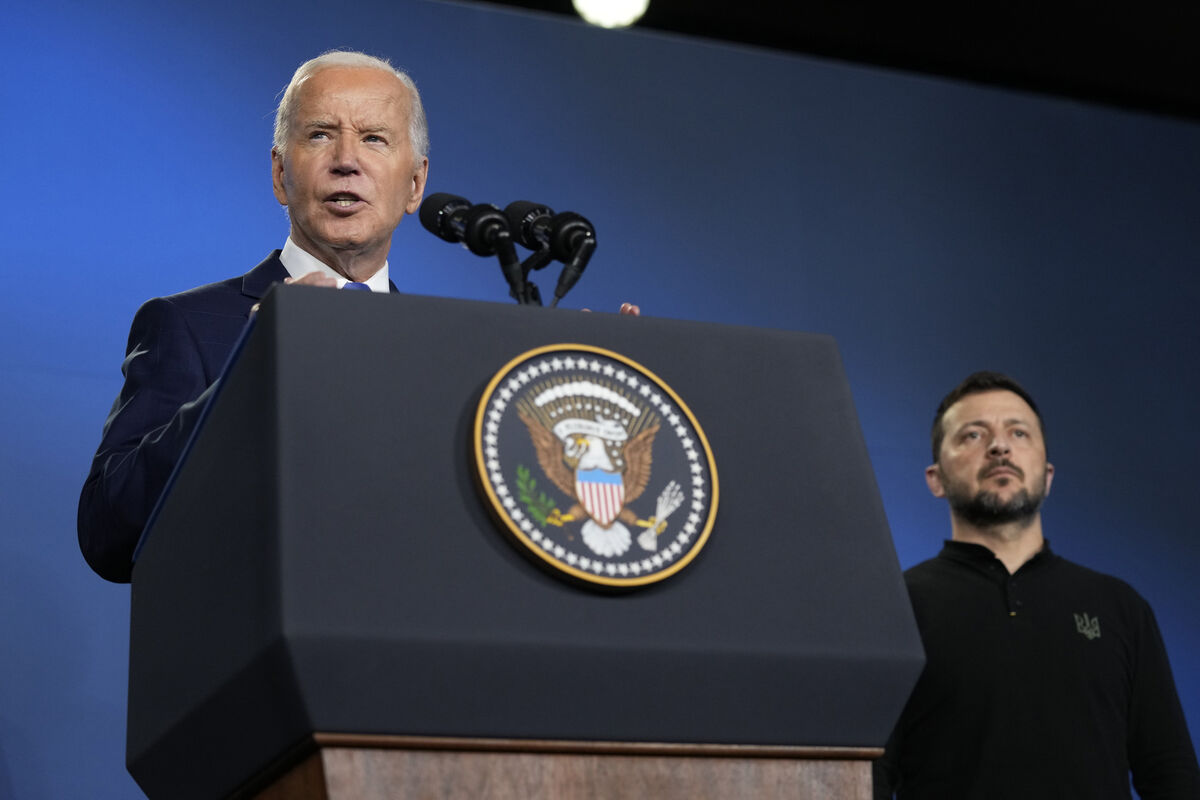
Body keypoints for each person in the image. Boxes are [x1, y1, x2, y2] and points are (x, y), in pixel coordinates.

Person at [78, 50, 637, 583]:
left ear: (415, 184)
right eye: (320, 134)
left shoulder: (448, 351)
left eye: (374, 139)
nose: (346, 160)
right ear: (279, 174)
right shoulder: (189, 325)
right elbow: (108, 532)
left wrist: (583, 390)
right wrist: (244, 380)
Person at [875, 371, 1199, 799]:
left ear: (1046, 476)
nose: (999, 446)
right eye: (973, 435)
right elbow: (868, 780)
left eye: (1019, 432)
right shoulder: (894, 608)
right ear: (935, 478)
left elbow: (1170, 774)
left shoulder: (1120, 608)